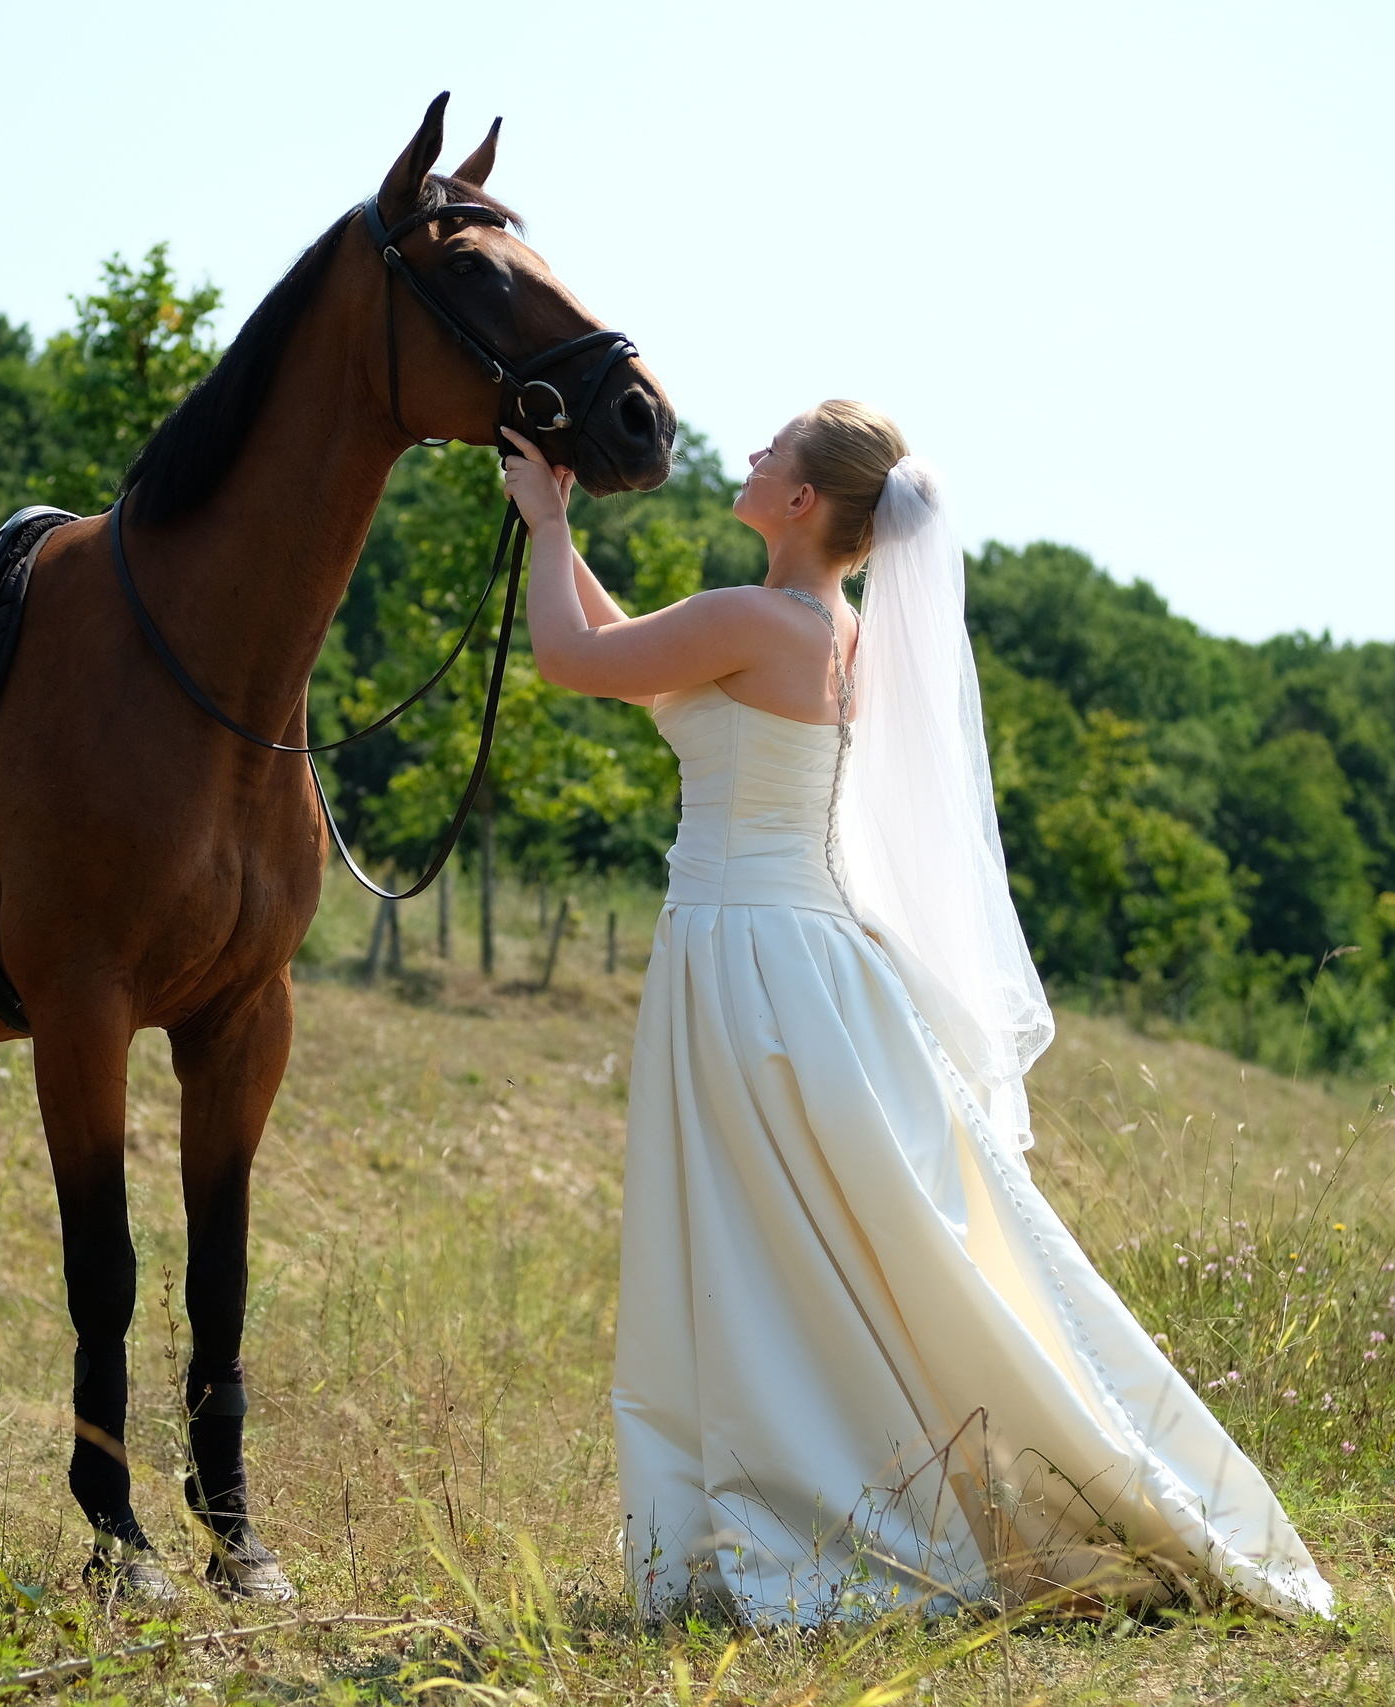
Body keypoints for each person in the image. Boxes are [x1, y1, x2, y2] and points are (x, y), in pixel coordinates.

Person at [502, 404, 1332, 1626]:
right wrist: (552, 527)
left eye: (771, 449)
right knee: (837, 1241)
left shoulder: (751, 618)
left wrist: (546, 526)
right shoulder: (824, 629)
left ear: (800, 504)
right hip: (799, 952)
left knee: (762, 1236)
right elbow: (627, 649)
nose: (749, 457)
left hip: (746, 956)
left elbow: (573, 660)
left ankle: (806, 1498)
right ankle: (837, 1477)